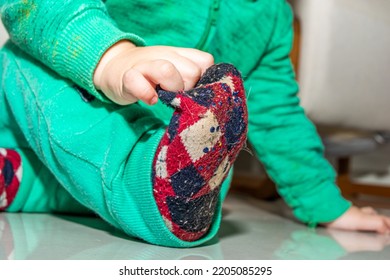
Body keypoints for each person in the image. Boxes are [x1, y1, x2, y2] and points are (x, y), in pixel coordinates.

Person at [1, 0, 389, 248]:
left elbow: (279, 118)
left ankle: (14, 178)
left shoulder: (269, 17)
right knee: (29, 57)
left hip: (138, 152)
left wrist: (325, 203)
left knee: (201, 172)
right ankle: (148, 190)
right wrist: (112, 59)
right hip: (27, 109)